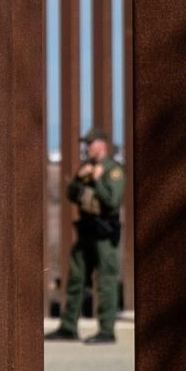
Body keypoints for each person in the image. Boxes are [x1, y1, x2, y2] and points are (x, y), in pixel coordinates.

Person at [48, 126, 127, 345]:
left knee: (106, 282)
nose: (87, 147)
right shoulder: (87, 167)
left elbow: (112, 202)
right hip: (86, 233)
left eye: (90, 144)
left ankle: (107, 331)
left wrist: (99, 180)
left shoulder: (113, 170)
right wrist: (78, 180)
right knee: (76, 279)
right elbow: (71, 194)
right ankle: (68, 327)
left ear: (102, 144)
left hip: (104, 236)